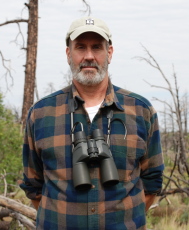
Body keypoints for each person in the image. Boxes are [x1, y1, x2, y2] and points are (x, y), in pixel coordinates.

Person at [20, 16, 164, 230]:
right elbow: (33, 186)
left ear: (110, 53)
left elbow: (152, 183)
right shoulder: (41, 114)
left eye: (97, 47)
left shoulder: (141, 111)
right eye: (80, 47)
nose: (89, 56)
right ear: (69, 54)